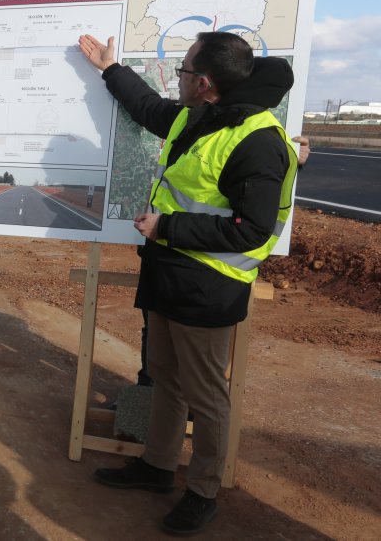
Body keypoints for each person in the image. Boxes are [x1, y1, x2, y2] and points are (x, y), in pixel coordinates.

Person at [78, 31, 297, 535]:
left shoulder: (257, 141)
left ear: (202, 83)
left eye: (180, 70)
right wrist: (111, 69)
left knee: (205, 394)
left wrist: (167, 227)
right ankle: (157, 467)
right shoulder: (197, 115)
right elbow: (148, 108)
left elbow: (252, 230)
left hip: (208, 287)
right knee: (165, 378)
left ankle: (202, 491)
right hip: (169, 274)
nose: (173, 78)